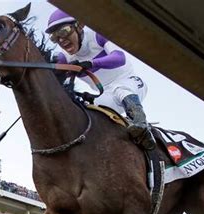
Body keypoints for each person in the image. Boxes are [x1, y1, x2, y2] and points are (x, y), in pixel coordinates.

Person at [46, 9, 156, 150]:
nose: (61, 40)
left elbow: (119, 58)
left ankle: (142, 126)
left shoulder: (98, 35)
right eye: (55, 37)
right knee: (92, 114)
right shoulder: (64, 58)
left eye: (64, 32)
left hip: (130, 82)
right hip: (105, 95)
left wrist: (92, 63)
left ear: (79, 26)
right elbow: (52, 76)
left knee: (121, 89)